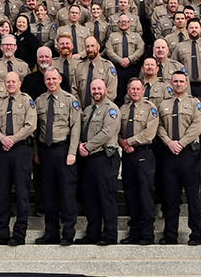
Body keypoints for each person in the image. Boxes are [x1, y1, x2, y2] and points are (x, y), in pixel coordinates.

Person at [154, 68, 201, 245]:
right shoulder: (164, 104)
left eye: (181, 81)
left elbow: (198, 125)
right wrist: (169, 142)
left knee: (193, 196)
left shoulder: (194, 103)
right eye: (175, 81)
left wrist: (181, 143)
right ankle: (170, 234)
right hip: (169, 154)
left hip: (189, 155)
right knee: (170, 197)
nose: (178, 84)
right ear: (171, 84)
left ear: (187, 84)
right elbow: (159, 126)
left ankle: (196, 234)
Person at [0, 68, 36, 245]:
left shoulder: (27, 101)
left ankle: (19, 234)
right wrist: (3, 139)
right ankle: (1, 233)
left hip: (21, 151)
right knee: (2, 192)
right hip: (4, 151)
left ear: (19, 84)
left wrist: (12, 140)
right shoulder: (0, 104)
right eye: (7, 82)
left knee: (22, 193)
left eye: (13, 81)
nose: (10, 84)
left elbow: (31, 125)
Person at [32, 60, 79, 244]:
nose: (51, 81)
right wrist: (36, 152)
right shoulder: (39, 101)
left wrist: (72, 152)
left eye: (54, 78)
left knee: (66, 194)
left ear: (60, 79)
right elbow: (36, 131)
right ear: (45, 81)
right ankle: (51, 232)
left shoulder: (70, 101)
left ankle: (68, 232)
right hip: (46, 152)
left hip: (63, 150)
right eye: (48, 79)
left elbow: (75, 127)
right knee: (48, 194)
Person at [75, 75, 122, 246]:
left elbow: (107, 132)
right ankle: (93, 233)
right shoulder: (87, 110)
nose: (96, 91)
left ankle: (110, 235)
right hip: (89, 161)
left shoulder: (112, 109)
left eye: (99, 89)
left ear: (106, 90)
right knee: (90, 198)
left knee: (106, 197)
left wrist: (87, 147)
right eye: (93, 89)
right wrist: (80, 146)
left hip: (104, 158)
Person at [117, 75, 161, 245]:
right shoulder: (123, 109)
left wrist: (129, 142)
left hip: (144, 154)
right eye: (132, 89)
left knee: (144, 194)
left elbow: (149, 133)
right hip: (127, 155)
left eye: (138, 89)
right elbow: (118, 130)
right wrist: (122, 142)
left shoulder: (150, 108)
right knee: (130, 194)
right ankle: (134, 232)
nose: (135, 92)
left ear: (143, 91)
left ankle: (147, 234)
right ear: (128, 91)